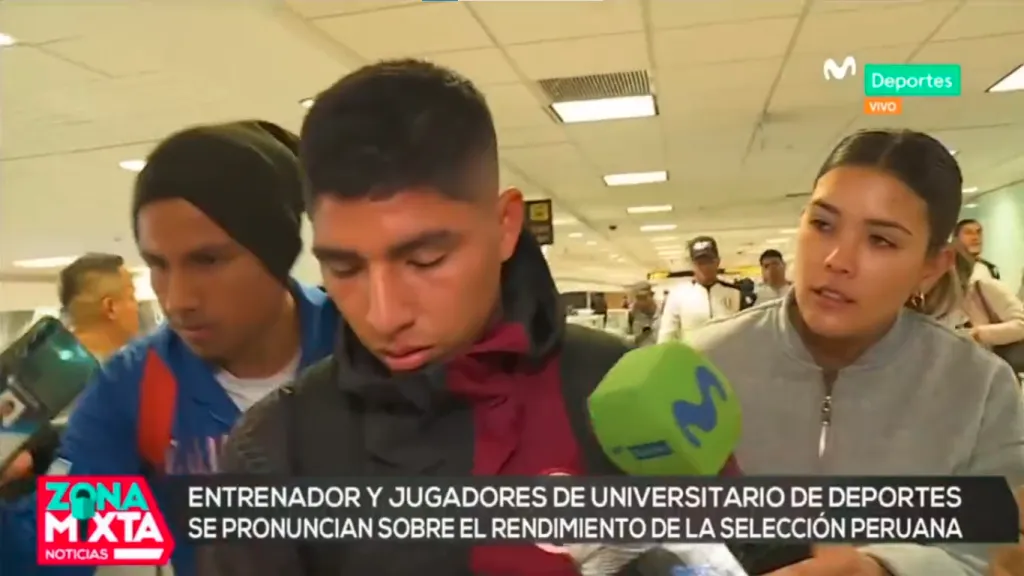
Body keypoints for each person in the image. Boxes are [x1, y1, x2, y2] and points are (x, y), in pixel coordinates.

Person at [198, 59, 658, 575]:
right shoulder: (278, 452)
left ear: (506, 225)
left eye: (425, 261)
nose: (384, 314)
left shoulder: (620, 385)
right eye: (344, 267)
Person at [0, 120, 339, 576]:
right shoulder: (136, 386)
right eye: (158, 265)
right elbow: (68, 550)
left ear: (275, 254)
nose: (178, 300)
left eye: (209, 260)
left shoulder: (363, 345)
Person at [689, 128, 1024, 575]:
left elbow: (998, 554)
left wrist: (882, 568)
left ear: (931, 266)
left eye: (881, 240)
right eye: (822, 224)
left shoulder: (981, 388)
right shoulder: (702, 363)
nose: (837, 259)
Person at [0, 254, 141, 487]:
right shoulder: (107, 380)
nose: (136, 307)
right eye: (131, 296)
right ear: (111, 307)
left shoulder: (35, 364)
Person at [923, 246, 1024, 347]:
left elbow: (1021, 324)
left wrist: (977, 334)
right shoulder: (930, 299)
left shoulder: (983, 287)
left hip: (992, 358)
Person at [656, 235, 743, 342]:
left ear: (718, 262)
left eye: (709, 261)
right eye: (700, 263)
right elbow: (666, 337)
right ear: (692, 264)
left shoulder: (735, 293)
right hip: (691, 358)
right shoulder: (677, 296)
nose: (705, 267)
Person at [626, 281, 659, 347]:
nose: (639, 302)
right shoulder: (632, 315)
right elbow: (624, 338)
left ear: (651, 295)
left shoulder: (664, 315)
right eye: (637, 298)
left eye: (643, 297)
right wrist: (641, 335)